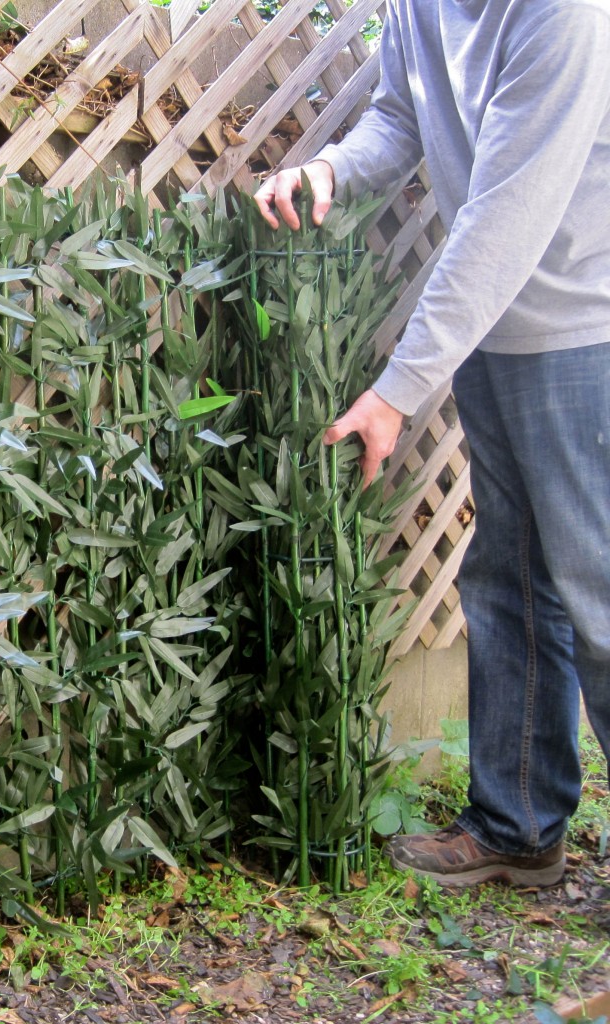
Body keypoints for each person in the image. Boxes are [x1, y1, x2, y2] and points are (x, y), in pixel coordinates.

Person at [254, 0, 610, 887]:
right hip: (494, 331)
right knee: (509, 580)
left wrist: (399, 391)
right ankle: (518, 827)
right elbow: (401, 115)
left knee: (600, 594)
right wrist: (333, 168)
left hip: (585, 328)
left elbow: (507, 211)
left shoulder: (567, 14)